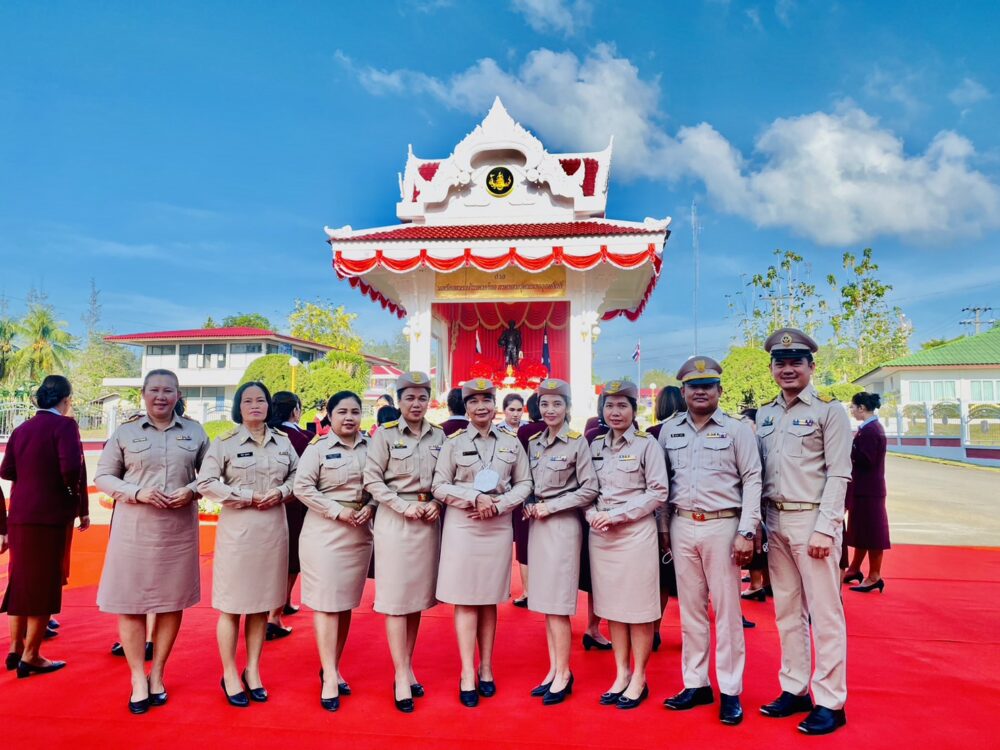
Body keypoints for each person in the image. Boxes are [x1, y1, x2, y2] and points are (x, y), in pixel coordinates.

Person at [95, 369, 209, 713]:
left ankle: (157, 673)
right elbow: (103, 476)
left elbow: (211, 475)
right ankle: (136, 677)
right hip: (134, 530)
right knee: (131, 604)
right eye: (154, 390)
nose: (161, 396)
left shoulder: (195, 432)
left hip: (178, 532)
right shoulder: (125, 432)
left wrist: (191, 491)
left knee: (172, 602)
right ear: (143, 394)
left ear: (178, 396)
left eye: (168, 391)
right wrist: (137, 492)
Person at [755, 328, 851, 736]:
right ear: (772, 369)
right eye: (781, 363)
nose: (788, 369)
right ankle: (795, 688)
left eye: (796, 362)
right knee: (787, 611)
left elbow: (839, 473)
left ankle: (831, 700)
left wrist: (826, 528)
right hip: (775, 521)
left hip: (812, 521)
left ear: (811, 366)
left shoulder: (830, 411)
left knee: (825, 614)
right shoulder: (765, 414)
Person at [659, 357, 761, 726]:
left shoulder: (737, 430)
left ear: (719, 390)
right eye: (693, 386)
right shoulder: (669, 430)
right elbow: (663, 482)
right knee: (690, 611)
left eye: (707, 386)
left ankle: (731, 690)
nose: (700, 392)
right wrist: (664, 528)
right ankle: (696, 683)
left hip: (723, 526)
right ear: (683, 391)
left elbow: (753, 479)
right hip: (682, 524)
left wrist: (747, 531)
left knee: (728, 612)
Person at [197, 381, 298, 708]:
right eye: (248, 401)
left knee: (261, 604)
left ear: (269, 406)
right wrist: (247, 496)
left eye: (261, 400)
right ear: (238, 407)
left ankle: (252, 669)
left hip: (273, 530)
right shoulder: (225, 442)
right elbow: (206, 482)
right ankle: (229, 672)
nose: (255, 405)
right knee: (232, 606)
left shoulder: (282, 441)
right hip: (239, 532)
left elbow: (299, 477)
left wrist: (281, 492)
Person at [432, 378, 532, 708]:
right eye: (473, 401)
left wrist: (500, 504)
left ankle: (486, 667)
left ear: (494, 404)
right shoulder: (453, 442)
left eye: (486, 400)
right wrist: (474, 497)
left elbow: (525, 483)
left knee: (489, 599)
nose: (481, 407)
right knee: (465, 599)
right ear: (466, 406)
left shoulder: (511, 442)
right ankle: (466, 671)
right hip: (464, 525)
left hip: (497, 525)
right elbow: (438, 486)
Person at [363, 371, 445, 713]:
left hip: (428, 521)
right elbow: (372, 480)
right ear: (399, 401)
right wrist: (402, 506)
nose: (416, 403)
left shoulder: (440, 435)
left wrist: (437, 503)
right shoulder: (384, 435)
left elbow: (448, 477)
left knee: (416, 600)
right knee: (396, 599)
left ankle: (408, 666)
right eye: (409, 398)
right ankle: (399, 674)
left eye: (422, 397)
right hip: (396, 520)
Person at [587, 380, 669, 709]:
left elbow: (658, 491)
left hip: (635, 534)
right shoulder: (594, 445)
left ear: (634, 410)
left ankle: (640, 677)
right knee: (612, 609)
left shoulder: (647, 445)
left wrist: (617, 516)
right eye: (610, 405)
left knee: (638, 610)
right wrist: (592, 514)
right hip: (601, 535)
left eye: (622, 405)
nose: (615, 412)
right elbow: (586, 489)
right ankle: (621, 673)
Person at [1, 375, 90, 678]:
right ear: (66, 399)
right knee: (45, 583)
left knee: (20, 580)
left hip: (20, 514)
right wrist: (71, 496)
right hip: (49, 515)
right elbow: (72, 468)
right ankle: (32, 655)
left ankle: (15, 647)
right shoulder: (65, 426)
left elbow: (7, 470)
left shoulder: (21, 428)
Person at [294, 391, 375, 712]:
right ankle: (328, 674)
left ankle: (334, 666)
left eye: (355, 411)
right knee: (327, 605)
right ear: (329, 415)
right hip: (325, 534)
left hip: (359, 532)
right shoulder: (318, 448)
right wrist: (336, 511)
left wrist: (371, 506)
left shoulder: (373, 446)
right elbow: (302, 487)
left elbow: (382, 483)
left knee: (344, 605)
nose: (349, 417)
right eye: (342, 411)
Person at [524, 379, 598, 705]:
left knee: (558, 604)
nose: (550, 410)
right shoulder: (535, 443)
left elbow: (589, 488)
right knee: (546, 603)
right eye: (544, 404)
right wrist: (528, 502)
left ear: (568, 407)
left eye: (557, 404)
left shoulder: (577, 443)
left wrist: (551, 506)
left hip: (562, 525)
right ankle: (553, 669)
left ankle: (564, 673)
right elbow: (528, 483)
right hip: (538, 525)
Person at [265, 391, 311, 641]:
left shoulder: (264, 434)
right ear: (295, 410)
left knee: (269, 558)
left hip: (263, 502)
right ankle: (275, 614)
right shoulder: (304, 438)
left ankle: (276, 606)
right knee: (291, 557)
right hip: (294, 503)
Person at [648, 385, 685, 650]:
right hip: (683, 510)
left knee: (658, 575)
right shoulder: (686, 430)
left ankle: (653, 628)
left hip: (656, 512)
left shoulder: (652, 434)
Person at [843, 392, 890, 593]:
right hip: (863, 488)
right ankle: (854, 569)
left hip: (869, 490)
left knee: (873, 532)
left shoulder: (871, 430)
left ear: (861, 408)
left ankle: (874, 575)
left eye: (853, 407)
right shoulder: (869, 428)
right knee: (862, 530)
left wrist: (848, 448)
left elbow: (866, 459)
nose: (852, 411)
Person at [580, 393, 612, 652]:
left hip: (622, 517)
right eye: (611, 405)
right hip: (595, 515)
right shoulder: (593, 438)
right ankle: (593, 627)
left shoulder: (639, 437)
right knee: (598, 576)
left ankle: (595, 626)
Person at [513, 393, 544, 607]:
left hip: (525, 494)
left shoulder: (524, 431)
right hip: (550, 497)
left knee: (524, 546)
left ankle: (528, 591)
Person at [739, 407, 771, 603]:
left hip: (758, 501)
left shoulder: (756, 441)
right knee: (761, 543)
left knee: (758, 543)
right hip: (760, 501)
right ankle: (761, 583)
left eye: (746, 420)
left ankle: (758, 583)